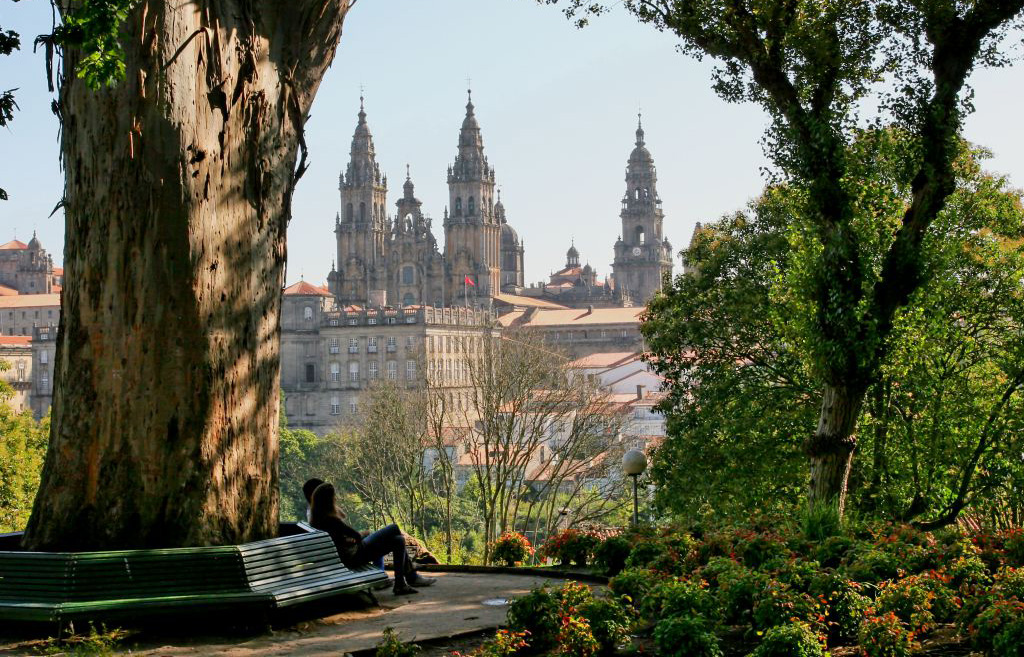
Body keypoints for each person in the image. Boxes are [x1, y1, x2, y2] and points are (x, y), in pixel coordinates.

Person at [309, 482, 436, 596]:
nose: (336, 499)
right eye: (334, 497)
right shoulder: (333, 520)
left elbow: (339, 539)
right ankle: (410, 574)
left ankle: (400, 584)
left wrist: (350, 539)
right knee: (394, 528)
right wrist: (364, 534)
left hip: (347, 557)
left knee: (399, 540)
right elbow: (357, 536)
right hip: (356, 555)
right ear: (329, 500)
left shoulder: (317, 519)